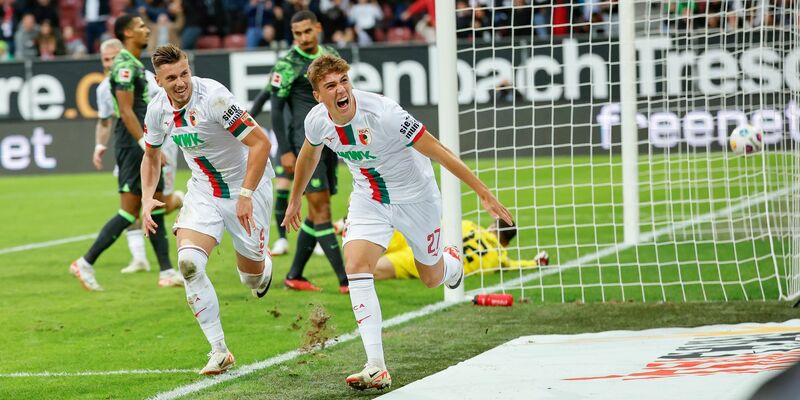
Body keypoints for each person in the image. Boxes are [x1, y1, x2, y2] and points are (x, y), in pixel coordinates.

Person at [283, 54, 514, 391]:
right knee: (357, 265)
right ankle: (376, 365)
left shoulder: (384, 113)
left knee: (431, 278)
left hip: (416, 198)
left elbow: (436, 149)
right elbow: (309, 153)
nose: (341, 89)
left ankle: (452, 265)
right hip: (369, 197)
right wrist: (294, 199)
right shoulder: (317, 120)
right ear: (319, 95)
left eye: (344, 80)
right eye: (331, 85)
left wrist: (483, 191)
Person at [140, 44, 274, 375]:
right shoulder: (157, 110)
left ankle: (262, 268)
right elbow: (152, 154)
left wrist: (245, 193)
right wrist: (146, 197)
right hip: (203, 191)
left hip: (248, 187)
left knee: (251, 277)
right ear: (159, 81)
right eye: (171, 77)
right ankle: (219, 350)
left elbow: (261, 143)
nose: (181, 82)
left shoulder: (215, 98)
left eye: (184, 73)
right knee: (187, 263)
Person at [69, 14, 182, 291]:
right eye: (142, 27)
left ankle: (166, 270)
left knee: (153, 204)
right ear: (128, 33)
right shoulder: (123, 65)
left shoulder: (131, 63)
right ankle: (85, 262)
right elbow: (126, 110)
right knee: (130, 211)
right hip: (133, 145)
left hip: (140, 142)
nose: (147, 30)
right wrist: (147, 146)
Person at [266, 10, 347, 293]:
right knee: (321, 210)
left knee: (315, 213)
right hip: (305, 144)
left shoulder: (330, 55)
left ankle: (294, 275)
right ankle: (346, 280)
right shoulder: (286, 64)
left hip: (331, 141)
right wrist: (286, 150)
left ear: (318, 28)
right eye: (297, 33)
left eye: (306, 32)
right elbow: (276, 110)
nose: (302, 38)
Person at [92, 37, 184, 275]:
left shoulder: (143, 77)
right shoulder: (104, 88)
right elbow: (104, 121)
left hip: (160, 145)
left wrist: (156, 143)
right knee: (130, 202)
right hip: (131, 147)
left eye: (114, 57)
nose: (111, 63)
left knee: (159, 202)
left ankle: (180, 201)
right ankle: (140, 258)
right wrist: (99, 146)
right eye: (106, 59)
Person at [374, 219, 549, 280]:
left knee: (369, 253)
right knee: (369, 271)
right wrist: (535, 262)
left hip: (422, 240)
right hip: (431, 263)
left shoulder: (469, 225)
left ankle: (348, 225)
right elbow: (515, 265)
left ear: (492, 226)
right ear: (506, 243)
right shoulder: (498, 258)